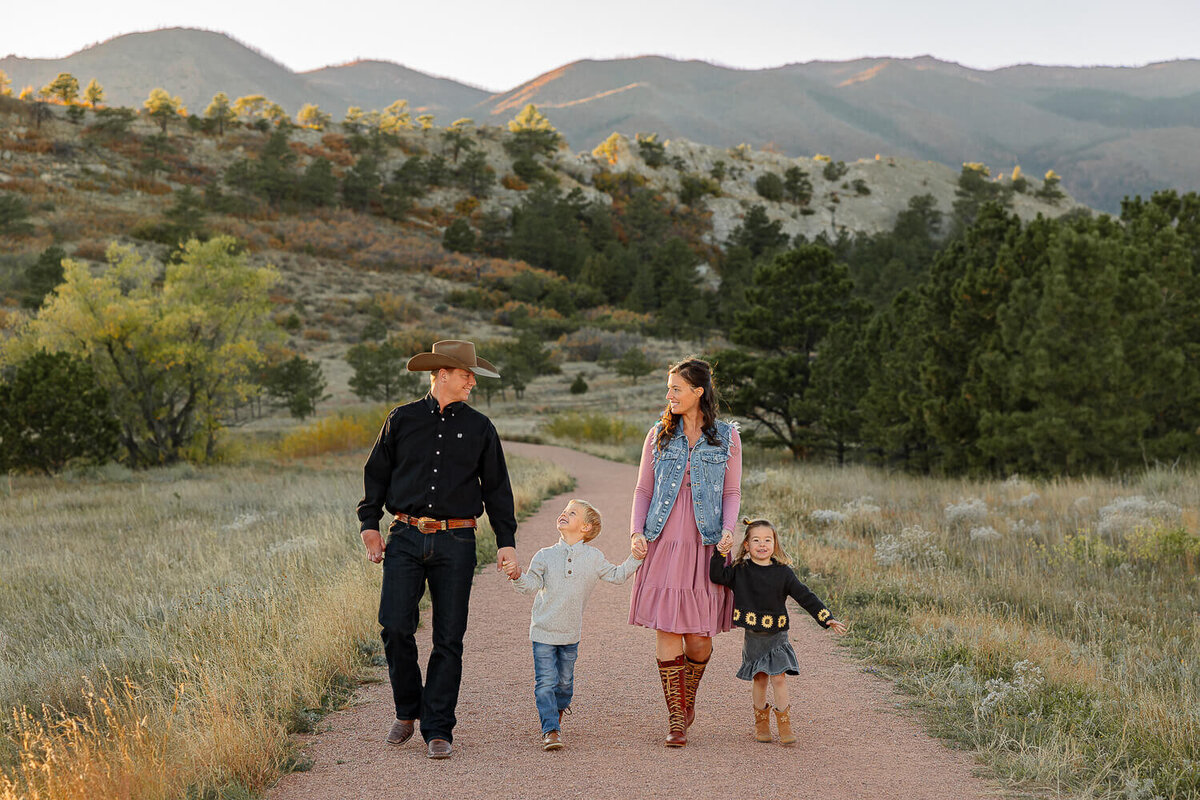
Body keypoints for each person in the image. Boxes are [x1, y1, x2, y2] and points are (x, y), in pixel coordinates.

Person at [357, 340, 518, 760]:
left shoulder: (482, 428)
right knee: (394, 625)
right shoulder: (402, 419)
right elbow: (376, 473)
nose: (472, 383)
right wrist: (369, 525)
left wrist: (506, 542)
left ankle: (438, 727)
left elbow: (497, 488)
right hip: (405, 536)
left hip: (458, 540)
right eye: (467, 375)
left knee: (449, 636)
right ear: (442, 374)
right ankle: (408, 710)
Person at [628, 357, 741, 747]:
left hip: (705, 541)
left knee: (699, 637)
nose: (669, 395)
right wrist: (635, 532)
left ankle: (688, 694)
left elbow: (731, 492)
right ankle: (676, 715)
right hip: (663, 541)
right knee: (668, 626)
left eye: (676, 388)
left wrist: (728, 531)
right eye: (668, 388)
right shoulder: (658, 434)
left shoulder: (727, 437)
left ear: (698, 392)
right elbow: (643, 490)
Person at [502, 499, 646, 750]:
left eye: (572, 513)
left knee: (565, 684)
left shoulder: (594, 557)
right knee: (545, 682)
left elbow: (618, 575)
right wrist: (516, 576)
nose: (564, 514)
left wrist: (635, 558)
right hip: (543, 631)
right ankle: (550, 730)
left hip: (570, 634)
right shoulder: (544, 556)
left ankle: (557, 709)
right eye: (564, 511)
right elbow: (530, 586)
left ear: (586, 528)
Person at [710, 518, 848, 745]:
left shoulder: (783, 573)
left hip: (777, 636)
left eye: (767, 540)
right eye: (756, 540)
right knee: (760, 679)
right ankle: (761, 723)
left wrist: (826, 618)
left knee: (779, 678)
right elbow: (717, 576)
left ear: (775, 543)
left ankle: (785, 724)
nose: (762, 545)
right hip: (754, 637)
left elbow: (805, 596)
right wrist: (718, 553)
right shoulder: (740, 571)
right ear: (746, 545)